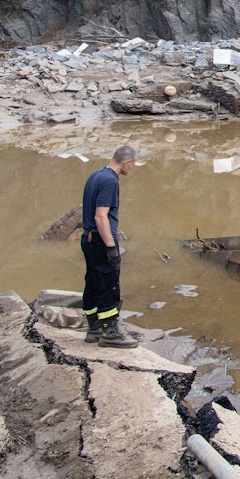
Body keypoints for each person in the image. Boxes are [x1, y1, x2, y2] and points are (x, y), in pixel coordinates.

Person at [80, 146, 138, 348]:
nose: (132, 169)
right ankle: (110, 333)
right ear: (126, 162)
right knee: (108, 284)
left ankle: (93, 329)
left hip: (87, 238)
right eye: (133, 165)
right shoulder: (110, 181)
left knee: (93, 281)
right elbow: (100, 215)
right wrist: (111, 247)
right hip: (100, 240)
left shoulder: (96, 175)